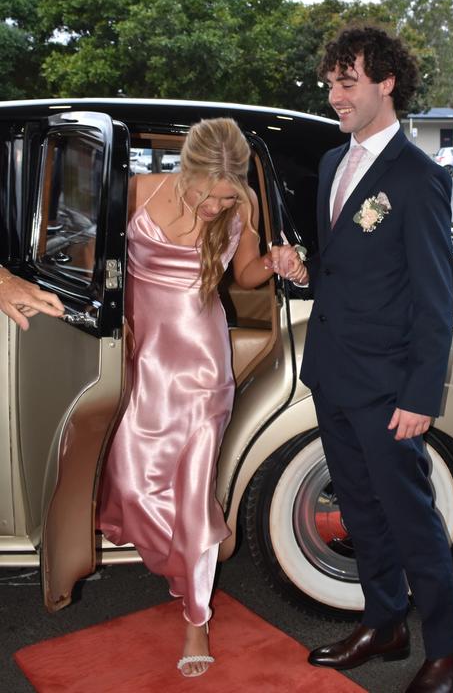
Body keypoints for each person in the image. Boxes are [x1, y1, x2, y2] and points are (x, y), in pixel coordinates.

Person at [1, 118, 296, 681]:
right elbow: (79, 253)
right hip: (141, 362)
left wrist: (279, 261)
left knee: (188, 492)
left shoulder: (243, 205)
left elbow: (250, 275)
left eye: (226, 194)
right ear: (183, 169)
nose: (213, 204)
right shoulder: (136, 191)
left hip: (203, 371)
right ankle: (203, 539)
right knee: (134, 483)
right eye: (204, 190)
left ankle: (195, 616)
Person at [284, 27, 453, 693]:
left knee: (412, 520)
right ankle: (386, 623)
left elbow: (432, 297)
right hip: (333, 373)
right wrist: (300, 270)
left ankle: (447, 650)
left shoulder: (418, 179)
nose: (335, 96)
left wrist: (422, 394)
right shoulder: (336, 164)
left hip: (391, 388)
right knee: (360, 512)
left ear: (386, 83)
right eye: (330, 83)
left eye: (347, 83)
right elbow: (345, 271)